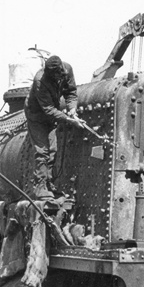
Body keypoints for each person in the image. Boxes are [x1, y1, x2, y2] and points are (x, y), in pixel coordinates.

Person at [24, 55, 85, 199]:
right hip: (37, 116)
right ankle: (39, 187)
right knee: (42, 151)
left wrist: (72, 109)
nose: (58, 78)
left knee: (53, 150)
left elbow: (71, 92)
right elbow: (49, 109)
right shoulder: (40, 81)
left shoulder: (67, 69)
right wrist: (70, 120)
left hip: (51, 116)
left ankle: (48, 184)